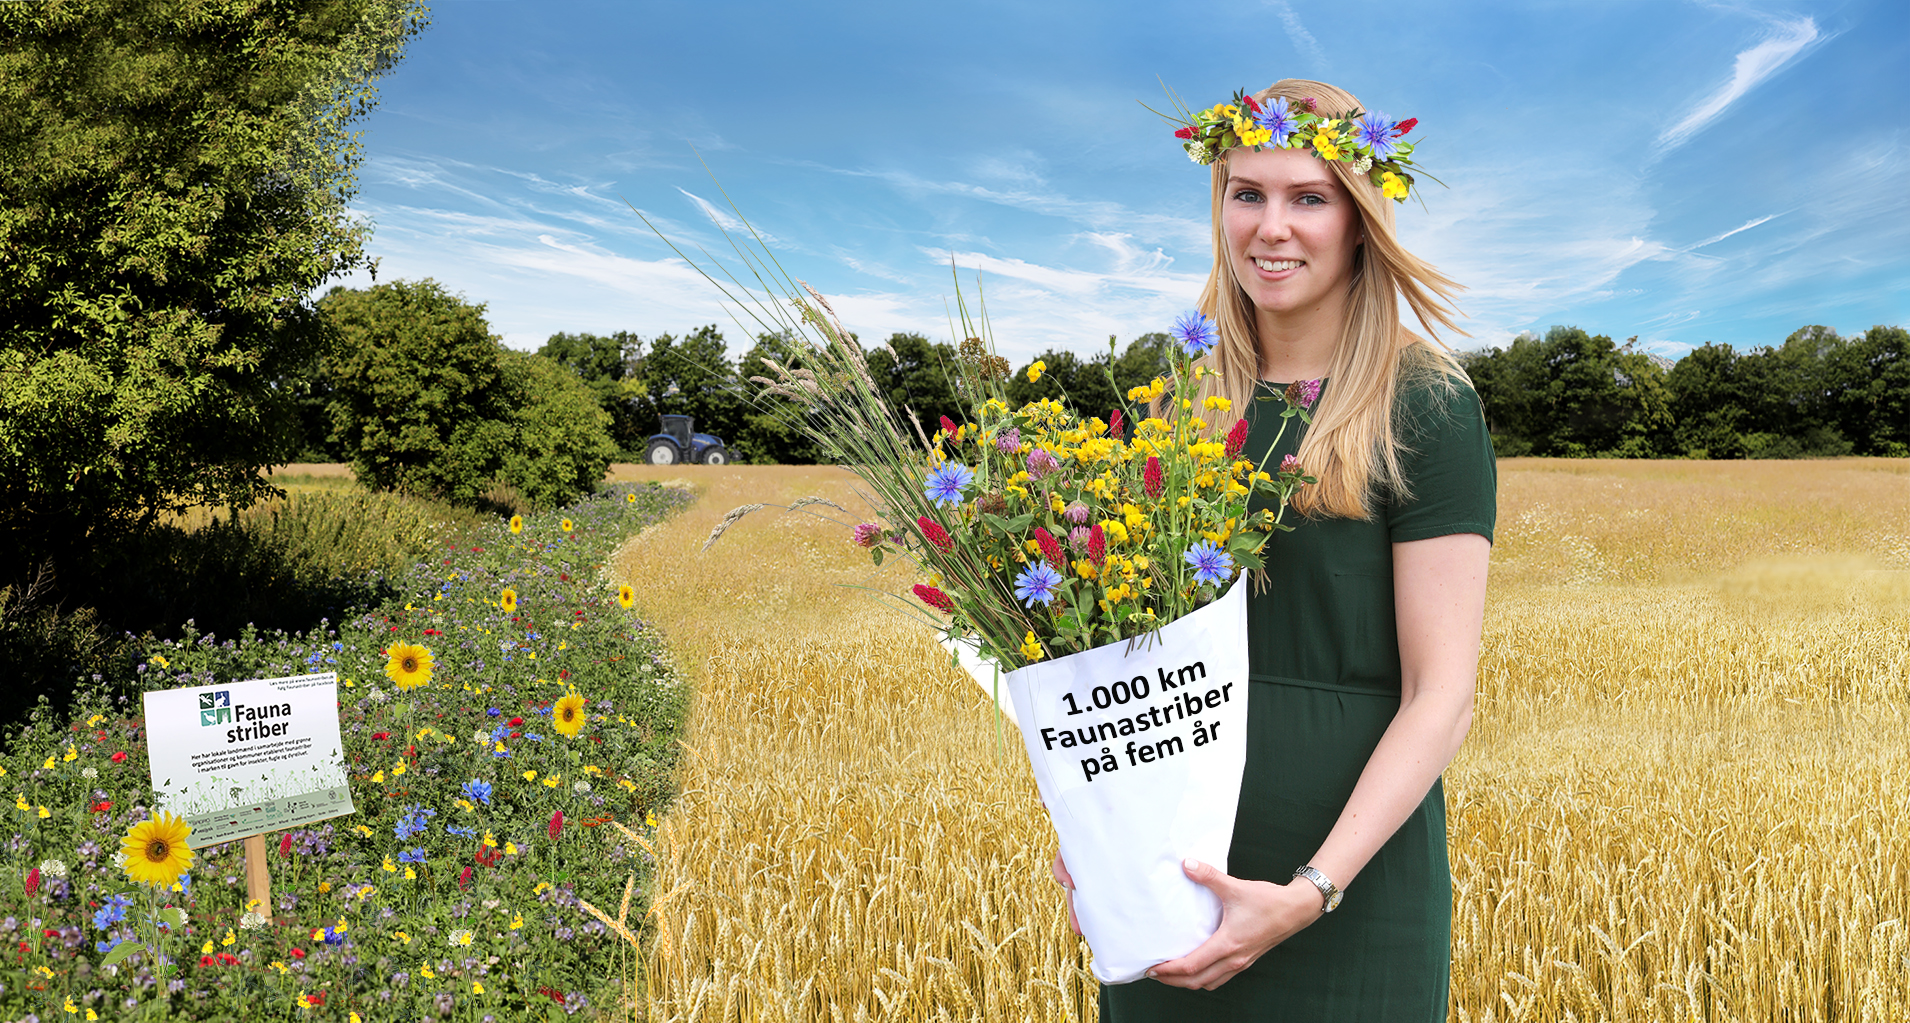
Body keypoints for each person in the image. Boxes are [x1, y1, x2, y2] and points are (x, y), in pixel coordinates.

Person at [1054, 78, 1497, 1020]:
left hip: (1348, 876)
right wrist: (1094, 825)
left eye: (1308, 197)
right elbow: (1119, 654)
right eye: (1245, 193)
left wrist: (1310, 891)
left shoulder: (1426, 403)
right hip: (1180, 874)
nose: (1271, 226)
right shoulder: (1179, 401)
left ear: (1359, 218)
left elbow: (1442, 694)